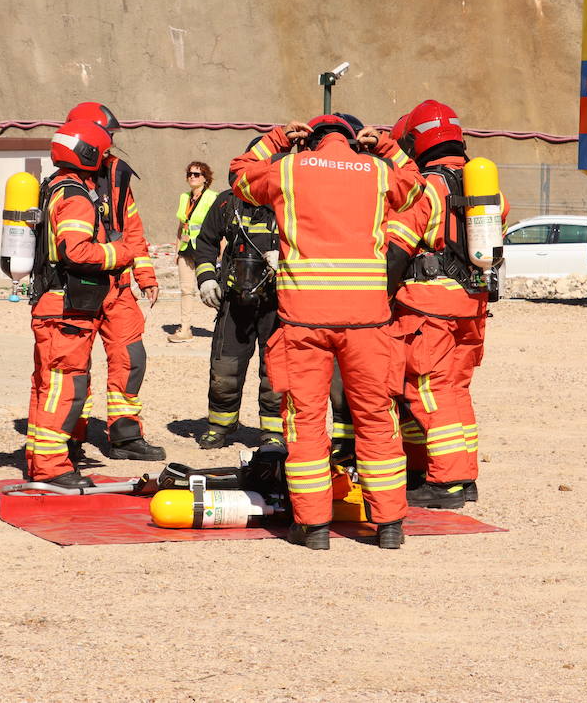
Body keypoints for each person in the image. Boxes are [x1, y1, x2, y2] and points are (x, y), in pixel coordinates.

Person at [231, 115, 424, 550]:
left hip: (304, 320)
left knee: (306, 420)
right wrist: (387, 147)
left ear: (310, 139)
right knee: (376, 416)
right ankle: (389, 525)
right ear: (354, 140)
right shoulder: (376, 171)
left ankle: (313, 527)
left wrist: (277, 139)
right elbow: (415, 186)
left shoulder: (288, 168)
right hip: (368, 321)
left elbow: (239, 175)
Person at [384, 100, 496, 508]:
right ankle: (462, 478)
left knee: (427, 390)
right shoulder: (480, 184)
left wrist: (379, 298)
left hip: (427, 307)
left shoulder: (423, 188)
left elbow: (395, 250)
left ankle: (446, 484)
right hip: (473, 303)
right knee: (455, 390)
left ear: (416, 141)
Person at [25, 119, 147, 486]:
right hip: (66, 309)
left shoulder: (55, 187)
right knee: (65, 387)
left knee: (47, 386)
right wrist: (121, 252)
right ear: (89, 153)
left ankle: (40, 459)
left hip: (53, 305)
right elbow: (76, 251)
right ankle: (52, 468)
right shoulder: (77, 197)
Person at [64, 102, 165, 461]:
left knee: (131, 358)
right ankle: (69, 436)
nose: (111, 143)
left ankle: (124, 435)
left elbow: (131, 229)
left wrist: (145, 274)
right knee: (74, 365)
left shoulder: (118, 173)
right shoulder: (67, 178)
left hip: (118, 288)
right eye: (108, 136)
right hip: (79, 288)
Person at [191, 145, 283, 450]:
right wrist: (206, 279)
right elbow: (204, 242)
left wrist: (285, 256)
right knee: (225, 368)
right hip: (233, 300)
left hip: (276, 301)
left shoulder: (289, 201)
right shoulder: (227, 202)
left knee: (276, 371)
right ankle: (220, 426)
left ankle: (273, 431)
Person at [169, 161, 217, 343]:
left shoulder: (212, 197)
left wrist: (221, 252)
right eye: (190, 174)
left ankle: (225, 327)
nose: (192, 177)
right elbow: (181, 225)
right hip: (186, 249)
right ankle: (185, 328)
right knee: (186, 290)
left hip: (205, 248)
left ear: (205, 178)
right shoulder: (184, 197)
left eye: (196, 174)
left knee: (213, 288)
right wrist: (176, 250)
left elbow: (218, 226)